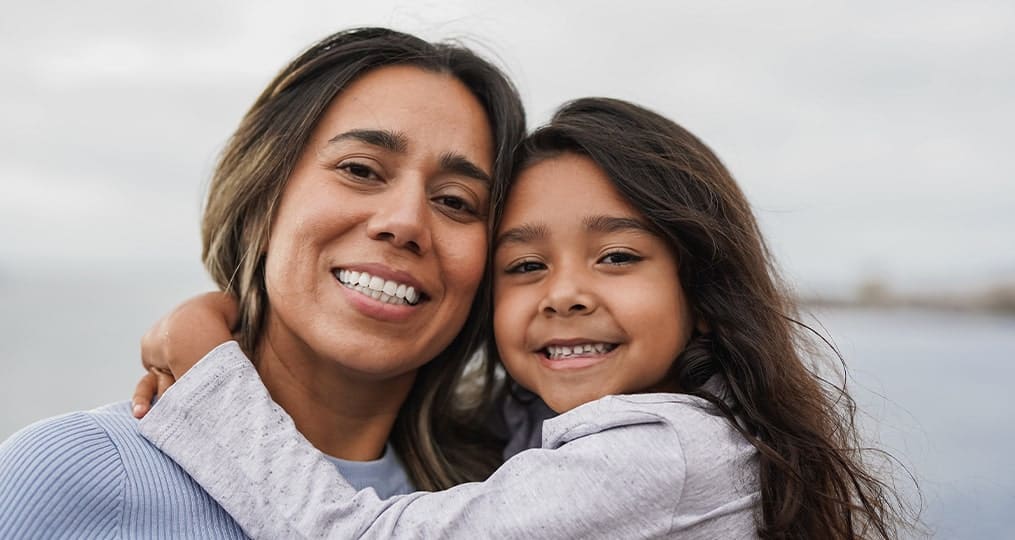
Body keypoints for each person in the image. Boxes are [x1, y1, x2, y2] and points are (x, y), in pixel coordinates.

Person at [134, 98, 909, 538]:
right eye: (523, 266)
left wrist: (210, 367)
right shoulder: (545, 423)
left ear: (702, 298)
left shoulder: (665, 454)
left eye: (616, 257)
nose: (562, 293)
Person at [0, 27, 526, 538]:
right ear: (262, 202)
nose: (406, 221)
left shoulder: (516, 499)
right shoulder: (79, 474)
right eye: (361, 170)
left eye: (456, 201)